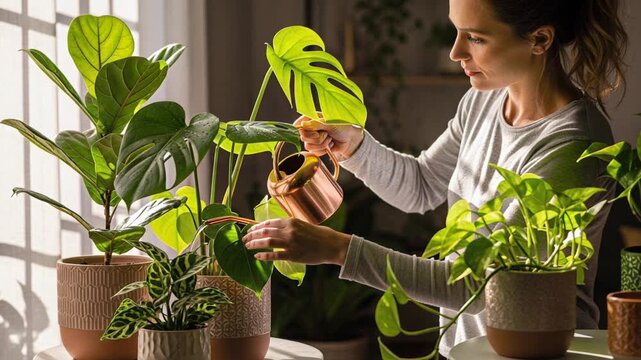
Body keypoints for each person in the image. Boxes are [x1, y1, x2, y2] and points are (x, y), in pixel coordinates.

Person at [243, 0, 628, 356]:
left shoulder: (574, 144)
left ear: (540, 39)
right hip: (466, 348)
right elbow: (423, 186)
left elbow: (485, 286)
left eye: (475, 38)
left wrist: (339, 250)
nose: (456, 53)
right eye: (457, 31)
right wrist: (356, 147)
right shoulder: (484, 100)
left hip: (539, 351)